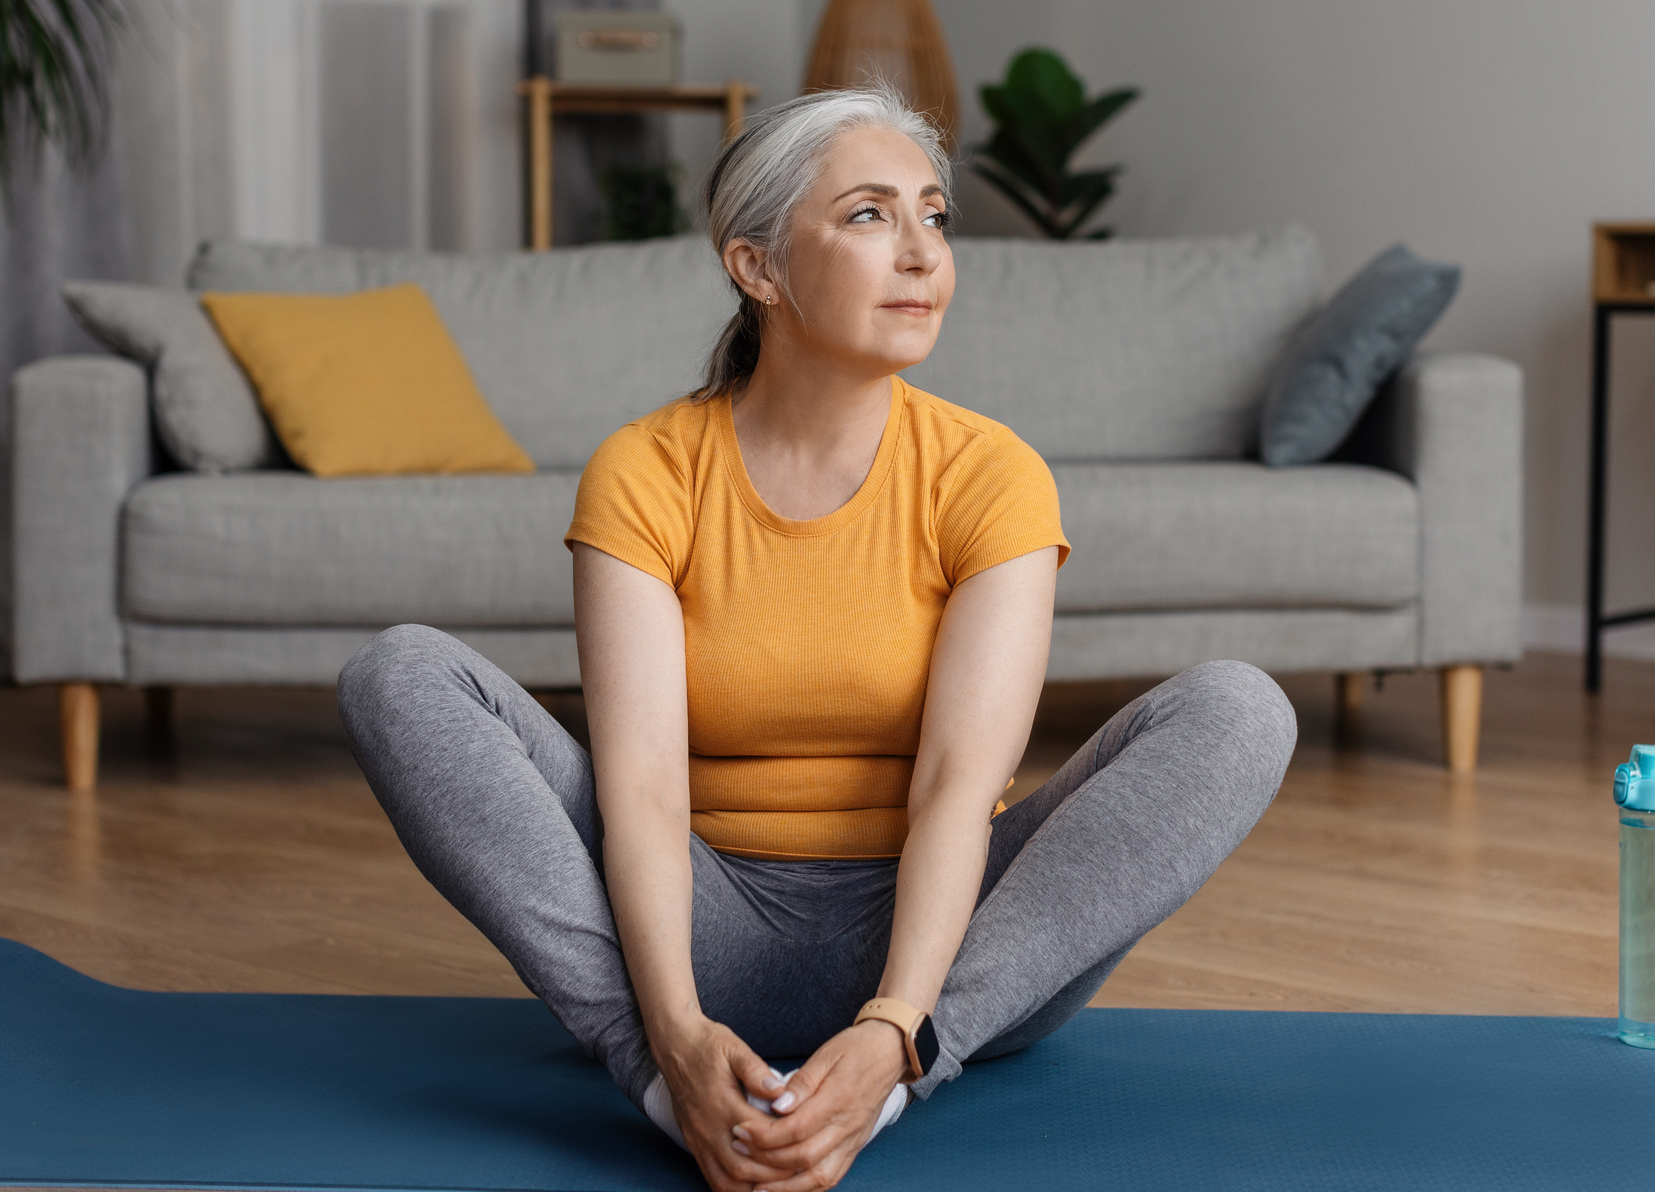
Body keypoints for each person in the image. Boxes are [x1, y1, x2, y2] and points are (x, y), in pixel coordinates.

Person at [337, 87, 1296, 1192]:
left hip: (951, 947)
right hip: (695, 925)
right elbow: (643, 788)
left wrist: (898, 1026)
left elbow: (953, 785)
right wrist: (672, 1031)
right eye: (868, 216)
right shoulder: (648, 469)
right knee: (399, 672)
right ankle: (663, 1079)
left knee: (1236, 709)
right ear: (756, 267)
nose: (921, 253)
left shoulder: (990, 474)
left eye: (934, 217)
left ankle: (889, 1081)